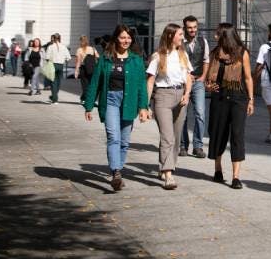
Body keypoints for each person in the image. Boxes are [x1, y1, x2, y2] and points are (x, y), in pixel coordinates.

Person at [84, 25, 150, 191]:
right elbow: (95, 82)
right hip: (111, 100)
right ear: (116, 39)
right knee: (114, 136)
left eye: (128, 38)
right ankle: (116, 173)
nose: (126, 40)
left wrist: (144, 107)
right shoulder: (106, 58)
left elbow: (142, 84)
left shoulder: (136, 59)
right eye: (122, 37)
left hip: (129, 102)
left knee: (125, 141)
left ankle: (117, 170)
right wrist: (89, 105)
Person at [205, 25, 254, 189]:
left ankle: (235, 177)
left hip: (238, 98)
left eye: (217, 33)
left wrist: (251, 100)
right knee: (218, 133)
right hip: (218, 98)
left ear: (225, 36)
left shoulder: (242, 53)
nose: (214, 36)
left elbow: (248, 78)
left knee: (237, 135)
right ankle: (218, 169)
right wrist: (209, 87)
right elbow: (207, 79)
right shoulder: (214, 53)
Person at [146, 23, 194, 190]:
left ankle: (168, 164)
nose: (183, 37)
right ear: (170, 36)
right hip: (163, 97)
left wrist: (187, 94)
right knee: (167, 136)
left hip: (180, 95)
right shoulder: (158, 56)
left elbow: (188, 76)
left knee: (176, 135)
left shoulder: (183, 55)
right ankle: (168, 174)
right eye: (180, 34)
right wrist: (145, 105)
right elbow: (150, 81)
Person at [179, 15, 210, 158]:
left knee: (200, 114)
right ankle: (183, 145)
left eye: (195, 27)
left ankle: (198, 146)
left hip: (198, 82)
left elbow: (206, 60)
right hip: (182, 83)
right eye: (189, 27)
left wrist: (203, 77)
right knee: (182, 115)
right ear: (184, 28)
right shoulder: (179, 42)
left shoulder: (203, 41)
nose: (192, 30)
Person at [43, 33, 71, 105]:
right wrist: (63, 60)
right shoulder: (64, 47)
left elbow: (47, 57)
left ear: (54, 38)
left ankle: (55, 99)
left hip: (53, 64)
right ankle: (53, 96)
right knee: (58, 82)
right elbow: (69, 57)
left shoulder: (51, 47)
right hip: (61, 65)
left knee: (53, 82)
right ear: (59, 38)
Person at [74, 35, 99, 104]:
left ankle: (84, 99)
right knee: (92, 85)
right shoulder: (93, 49)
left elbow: (78, 61)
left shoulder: (79, 50)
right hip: (92, 69)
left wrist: (76, 71)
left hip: (84, 69)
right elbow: (98, 57)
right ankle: (88, 99)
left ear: (80, 41)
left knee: (85, 85)